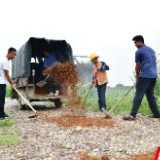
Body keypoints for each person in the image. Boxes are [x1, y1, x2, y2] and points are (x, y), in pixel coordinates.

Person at [123, 35, 160, 120]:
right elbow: (154, 62)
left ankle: (132, 114)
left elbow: (138, 65)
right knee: (150, 95)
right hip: (153, 76)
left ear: (140, 41)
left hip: (145, 75)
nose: (135, 45)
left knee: (139, 94)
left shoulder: (139, 52)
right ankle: (157, 114)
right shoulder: (151, 50)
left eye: (135, 43)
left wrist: (137, 76)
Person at [0, 47, 17, 120]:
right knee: (1, 100)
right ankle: (1, 116)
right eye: (13, 54)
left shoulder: (2, 59)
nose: (14, 56)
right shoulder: (5, 61)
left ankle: (2, 113)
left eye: (15, 55)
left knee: (2, 99)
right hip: (1, 83)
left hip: (1, 82)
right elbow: (7, 75)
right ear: (9, 53)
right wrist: (12, 83)